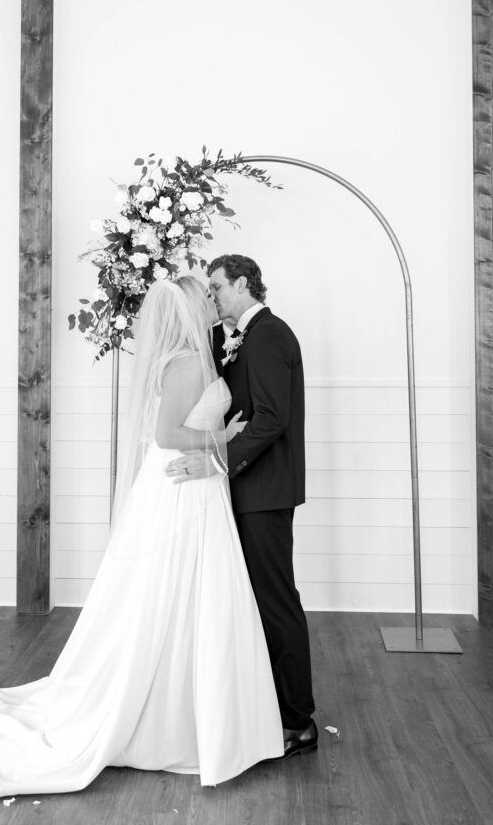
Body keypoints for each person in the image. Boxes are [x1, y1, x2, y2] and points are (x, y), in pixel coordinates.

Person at [0, 277, 284, 799]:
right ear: (192, 309)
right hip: (183, 486)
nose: (211, 303)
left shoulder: (189, 357)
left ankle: (188, 707)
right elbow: (167, 436)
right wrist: (226, 436)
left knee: (187, 593)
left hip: (192, 485)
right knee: (174, 591)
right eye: (206, 297)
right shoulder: (188, 363)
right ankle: (176, 714)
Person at [167, 255, 317, 759]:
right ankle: (265, 707)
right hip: (240, 491)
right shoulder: (227, 338)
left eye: (217, 288)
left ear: (245, 284)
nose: (211, 297)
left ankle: (299, 721)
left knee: (276, 601)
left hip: (265, 491)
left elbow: (272, 418)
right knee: (248, 602)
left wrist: (217, 461)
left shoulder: (272, 335)